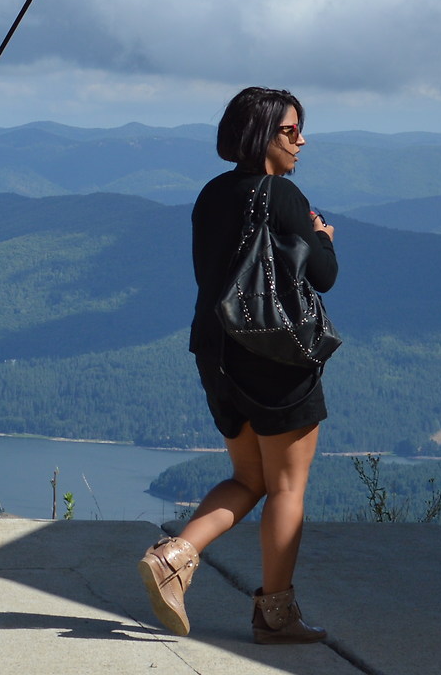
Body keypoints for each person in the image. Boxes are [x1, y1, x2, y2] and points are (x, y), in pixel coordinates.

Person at [138, 86, 337, 644]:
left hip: (217, 354)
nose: (302, 140)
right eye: (289, 131)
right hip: (275, 357)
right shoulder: (283, 195)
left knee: (247, 477)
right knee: (287, 485)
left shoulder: (211, 194)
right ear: (261, 136)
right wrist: (322, 238)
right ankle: (275, 614)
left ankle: (176, 555)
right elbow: (322, 275)